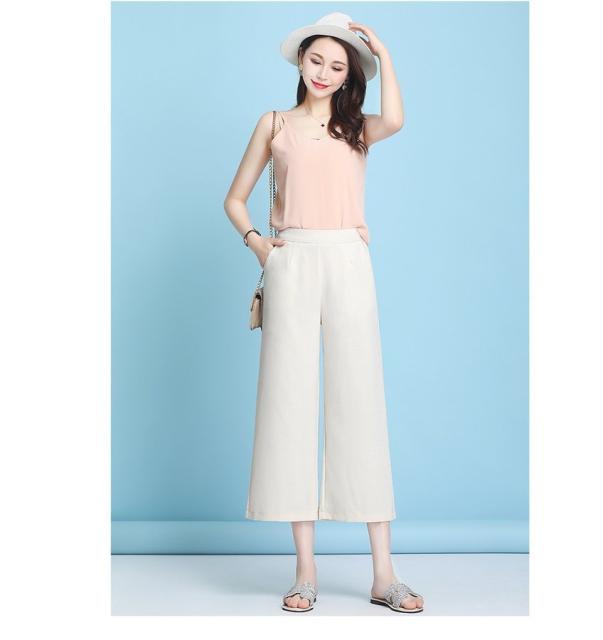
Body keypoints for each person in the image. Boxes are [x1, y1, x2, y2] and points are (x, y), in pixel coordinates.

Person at [224, 12, 424, 614]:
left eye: (338, 66)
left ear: (349, 76)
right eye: (317, 60)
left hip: (348, 259)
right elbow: (235, 199)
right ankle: (305, 572)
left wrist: (383, 53)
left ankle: (383, 574)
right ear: (301, 60)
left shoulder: (356, 128)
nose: (325, 73)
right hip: (292, 259)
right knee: (289, 404)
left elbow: (397, 119)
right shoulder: (274, 123)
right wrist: (260, 245)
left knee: (361, 401)